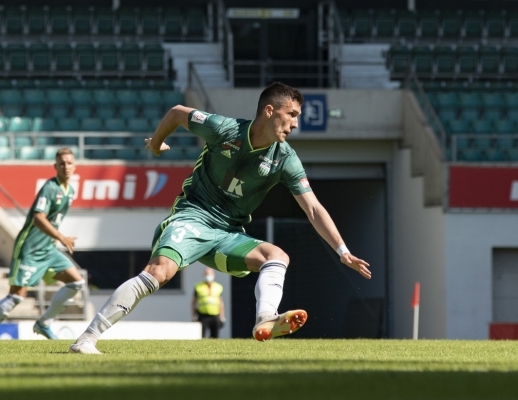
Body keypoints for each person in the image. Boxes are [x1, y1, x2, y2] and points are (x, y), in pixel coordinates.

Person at [69, 82, 371, 355]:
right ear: (269, 110)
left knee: (276, 256)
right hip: (193, 216)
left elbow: (314, 209)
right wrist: (157, 144)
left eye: (297, 116)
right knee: (159, 273)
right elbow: (176, 112)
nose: (294, 123)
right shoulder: (225, 129)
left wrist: (342, 251)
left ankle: (265, 317)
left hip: (228, 234)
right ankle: (85, 339)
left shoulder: (285, 158)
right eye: (291, 114)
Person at [0, 148, 85, 339]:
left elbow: (53, 219)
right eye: (61, 163)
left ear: (75, 166)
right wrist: (62, 237)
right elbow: (39, 218)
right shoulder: (50, 187)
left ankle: (44, 323)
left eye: (69, 163)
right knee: (16, 296)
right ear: (55, 166)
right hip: (30, 249)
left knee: (77, 282)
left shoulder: (69, 190)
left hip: (48, 249)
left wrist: (55, 239)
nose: (66, 167)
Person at [192, 267, 225, 339]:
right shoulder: (198, 287)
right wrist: (194, 316)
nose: (208, 276)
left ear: (214, 274)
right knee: (202, 336)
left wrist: (222, 317)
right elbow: (193, 303)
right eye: (206, 274)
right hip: (202, 315)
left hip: (215, 315)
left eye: (209, 274)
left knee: (215, 336)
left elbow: (221, 303)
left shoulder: (218, 287)